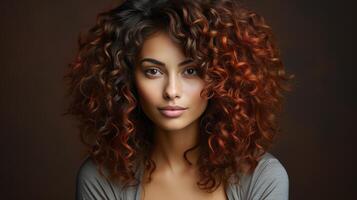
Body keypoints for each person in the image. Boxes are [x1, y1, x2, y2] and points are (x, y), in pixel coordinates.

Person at [63, 0, 294, 199]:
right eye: (153, 71)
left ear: (221, 79)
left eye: (191, 71)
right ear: (126, 80)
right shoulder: (100, 178)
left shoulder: (262, 177)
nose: (171, 91)